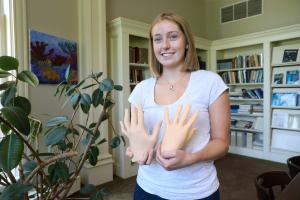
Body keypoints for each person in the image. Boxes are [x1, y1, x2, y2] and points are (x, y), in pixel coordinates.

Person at [120, 12, 230, 200]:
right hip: (147, 189)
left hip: (197, 192)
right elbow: (136, 139)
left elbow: (222, 143)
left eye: (173, 36)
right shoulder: (141, 89)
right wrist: (134, 150)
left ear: (187, 42)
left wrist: (190, 158)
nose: (165, 46)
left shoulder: (210, 82)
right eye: (157, 39)